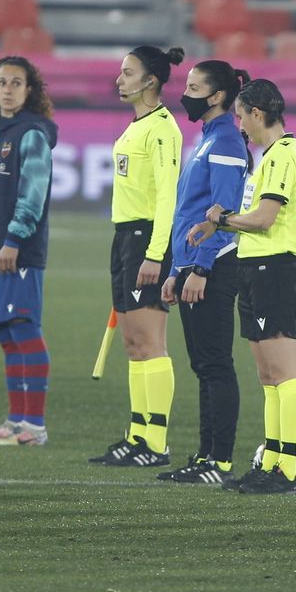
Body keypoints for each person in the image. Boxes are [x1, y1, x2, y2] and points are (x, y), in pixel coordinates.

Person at [187, 79, 296, 494]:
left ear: (257, 114)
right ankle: (271, 462)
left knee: (284, 373)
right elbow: (254, 219)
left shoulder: (283, 155)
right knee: (268, 374)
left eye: (242, 116)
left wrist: (222, 219)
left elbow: (264, 219)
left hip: (275, 269)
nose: (239, 124)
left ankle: (287, 468)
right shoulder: (271, 156)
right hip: (256, 267)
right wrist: (218, 224)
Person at [90, 45, 185, 466]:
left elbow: (168, 197)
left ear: (151, 81)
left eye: (128, 73)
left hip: (147, 239)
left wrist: (155, 252)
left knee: (150, 342)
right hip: (126, 238)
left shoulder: (163, 129)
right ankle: (138, 435)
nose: (119, 79)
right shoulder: (137, 125)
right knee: (133, 343)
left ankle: (156, 443)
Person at [159, 60, 251, 484]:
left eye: (195, 88)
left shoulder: (227, 140)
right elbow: (190, 211)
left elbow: (223, 212)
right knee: (203, 364)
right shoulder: (209, 137)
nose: (186, 94)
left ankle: (220, 460)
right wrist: (177, 269)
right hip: (193, 265)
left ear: (217, 96)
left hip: (212, 265)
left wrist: (200, 267)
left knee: (214, 363)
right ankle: (205, 456)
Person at [0, 56, 57, 446]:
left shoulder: (32, 133)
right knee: (6, 334)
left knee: (24, 329)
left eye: (16, 83)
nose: (7, 89)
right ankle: (16, 419)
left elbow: (32, 195)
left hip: (19, 252)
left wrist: (13, 240)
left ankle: (34, 426)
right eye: (1, 82)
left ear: (29, 90)